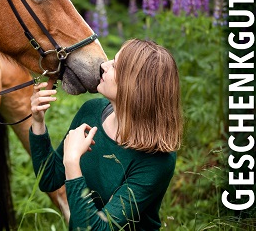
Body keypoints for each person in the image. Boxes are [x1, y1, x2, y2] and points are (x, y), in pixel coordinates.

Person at [29, 38, 183, 230]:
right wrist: (38, 121)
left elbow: (98, 228)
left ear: (134, 87)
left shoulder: (157, 161)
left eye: (115, 66)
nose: (104, 65)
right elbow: (48, 179)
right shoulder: (91, 111)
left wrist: (72, 162)